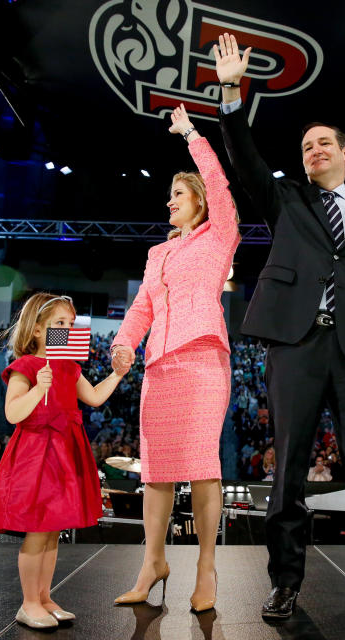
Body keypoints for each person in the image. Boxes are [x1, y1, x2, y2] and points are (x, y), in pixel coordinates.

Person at [215, 33, 345, 619]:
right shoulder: (285, 201)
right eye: (306, 146)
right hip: (296, 349)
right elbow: (245, 157)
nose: (314, 150)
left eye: (325, 143)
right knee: (289, 473)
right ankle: (284, 581)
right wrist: (232, 92)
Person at [110, 104, 240, 615]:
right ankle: (153, 562)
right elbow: (142, 305)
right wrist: (124, 342)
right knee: (156, 470)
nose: (169, 203)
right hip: (158, 366)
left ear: (201, 202)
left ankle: (207, 565)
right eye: (169, 197)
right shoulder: (157, 254)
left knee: (204, 466)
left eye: (178, 195)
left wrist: (190, 134)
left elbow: (220, 184)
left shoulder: (219, 233)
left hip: (204, 359)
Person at [0, 292, 129, 629]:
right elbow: (12, 413)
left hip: (66, 451)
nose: (67, 328)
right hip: (36, 454)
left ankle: (43, 597)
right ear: (38, 330)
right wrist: (38, 389)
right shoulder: (25, 367)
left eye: (71, 322)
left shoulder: (68, 366)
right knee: (38, 531)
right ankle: (28, 603)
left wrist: (118, 374)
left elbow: (94, 398)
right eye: (59, 324)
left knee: (53, 532)